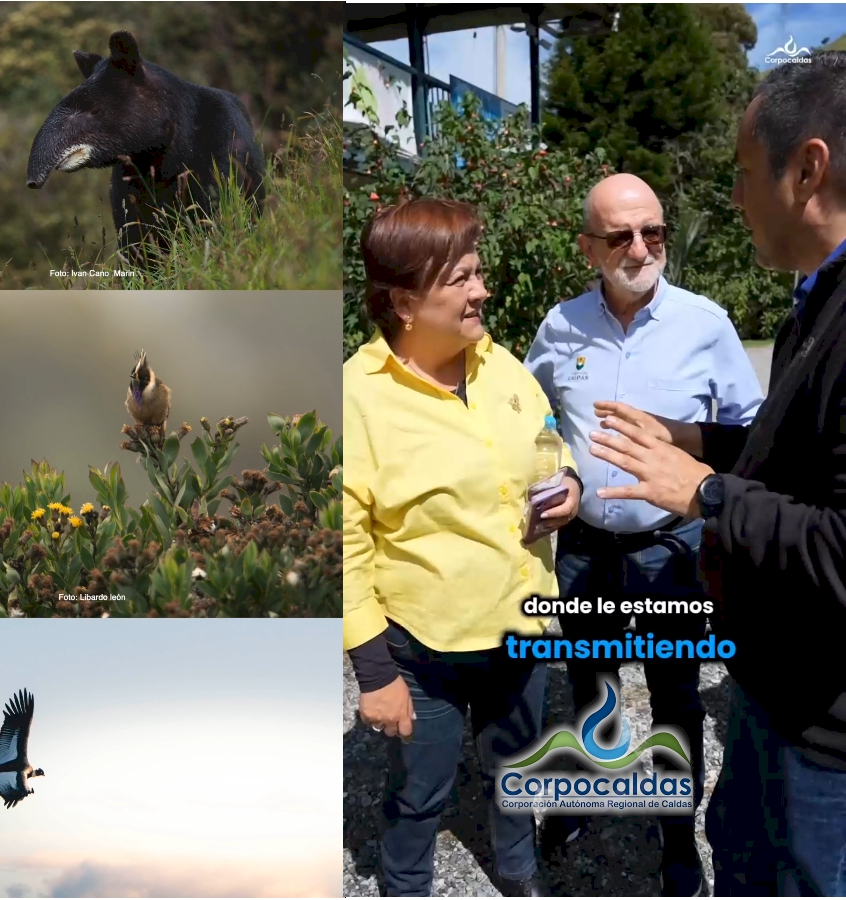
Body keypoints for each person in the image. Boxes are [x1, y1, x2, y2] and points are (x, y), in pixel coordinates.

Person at [588, 53, 846, 896]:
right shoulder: (815, 299)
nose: (733, 201)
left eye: (741, 176)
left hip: (823, 739)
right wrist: (690, 440)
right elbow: (792, 457)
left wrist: (701, 492)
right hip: (773, 700)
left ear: (805, 169)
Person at [524, 173, 763, 897]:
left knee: (676, 701)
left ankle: (675, 838)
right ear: (587, 247)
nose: (639, 248)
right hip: (587, 550)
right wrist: (558, 473)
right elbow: (533, 420)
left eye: (651, 231)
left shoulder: (704, 323)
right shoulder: (558, 327)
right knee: (591, 686)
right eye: (620, 236)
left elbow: (747, 434)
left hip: (672, 552)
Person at [344, 197, 582, 897]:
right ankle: (406, 886)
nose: (480, 291)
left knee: (514, 773)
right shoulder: (356, 399)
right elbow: (344, 547)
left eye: (477, 274)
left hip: (521, 631)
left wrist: (566, 481)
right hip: (426, 652)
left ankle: (518, 875)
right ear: (403, 301)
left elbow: (547, 442)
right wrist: (375, 673)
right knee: (418, 795)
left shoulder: (498, 362)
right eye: (460, 279)